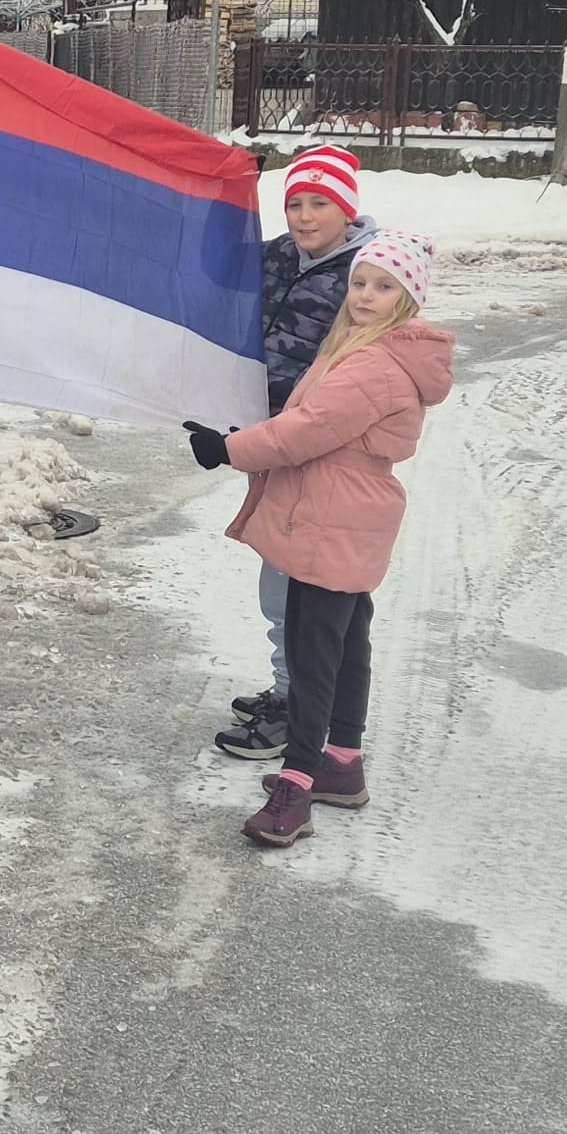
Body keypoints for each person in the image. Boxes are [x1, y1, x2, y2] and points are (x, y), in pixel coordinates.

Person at [182, 230, 453, 844]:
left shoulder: (374, 366)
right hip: (349, 513)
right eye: (360, 282)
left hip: (333, 516)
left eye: (384, 287)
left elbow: (303, 432)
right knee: (348, 639)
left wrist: (226, 449)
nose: (365, 295)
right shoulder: (367, 352)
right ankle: (342, 765)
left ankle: (297, 784)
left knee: (314, 655)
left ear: (408, 300)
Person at [221, 146, 381, 762]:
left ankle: (299, 709)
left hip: (318, 451)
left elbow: (367, 370)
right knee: (284, 575)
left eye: (320, 203)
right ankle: (295, 690)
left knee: (295, 583)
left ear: (347, 208)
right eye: (294, 203)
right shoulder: (279, 256)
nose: (305, 216)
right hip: (277, 441)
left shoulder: (365, 278)